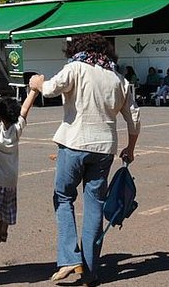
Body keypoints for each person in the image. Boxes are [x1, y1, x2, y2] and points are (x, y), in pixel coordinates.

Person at [29, 33, 140, 286]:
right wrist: (130, 149)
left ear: (77, 49)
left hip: (74, 144)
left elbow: (49, 89)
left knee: (64, 197)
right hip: (104, 150)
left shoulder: (76, 68)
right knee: (94, 207)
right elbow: (134, 118)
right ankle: (90, 272)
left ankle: (69, 257)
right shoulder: (118, 78)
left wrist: (37, 82)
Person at [0, 89, 39, 245]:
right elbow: (25, 109)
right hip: (10, 181)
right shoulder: (16, 130)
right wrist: (33, 92)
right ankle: (3, 230)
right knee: (7, 207)